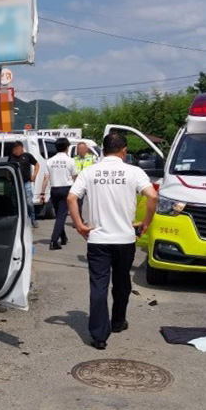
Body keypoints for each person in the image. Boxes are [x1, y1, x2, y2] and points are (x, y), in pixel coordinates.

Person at [67, 133, 158, 350]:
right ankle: (117, 321)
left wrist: (79, 225)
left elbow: (71, 197)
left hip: (97, 238)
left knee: (99, 284)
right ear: (124, 150)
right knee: (121, 281)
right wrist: (146, 222)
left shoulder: (90, 171)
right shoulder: (134, 171)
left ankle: (99, 335)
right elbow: (152, 197)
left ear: (103, 150)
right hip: (125, 239)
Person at [42, 138, 77, 250]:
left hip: (54, 189)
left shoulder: (50, 161)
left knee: (59, 215)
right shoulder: (70, 161)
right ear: (67, 147)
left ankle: (63, 237)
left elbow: (46, 177)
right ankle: (53, 241)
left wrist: (42, 192)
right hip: (66, 189)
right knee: (61, 217)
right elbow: (74, 176)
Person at [7, 141, 39, 228]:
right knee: (15, 203)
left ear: (21, 148)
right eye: (14, 149)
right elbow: (8, 168)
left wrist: (34, 175)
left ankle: (33, 220)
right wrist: (8, 177)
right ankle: (17, 220)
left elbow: (37, 165)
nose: (15, 151)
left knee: (29, 203)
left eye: (17, 149)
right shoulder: (11, 157)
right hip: (15, 184)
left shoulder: (27, 156)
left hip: (26, 183)